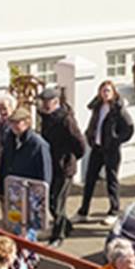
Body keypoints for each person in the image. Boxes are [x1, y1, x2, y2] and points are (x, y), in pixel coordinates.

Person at [77, 80, 134, 220]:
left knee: (111, 180)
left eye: (108, 90)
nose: (105, 93)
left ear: (113, 92)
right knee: (89, 180)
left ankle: (114, 211)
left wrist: (116, 140)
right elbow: (94, 123)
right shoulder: (98, 107)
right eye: (103, 90)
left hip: (111, 150)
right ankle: (83, 212)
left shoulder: (118, 109)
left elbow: (129, 128)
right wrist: (89, 135)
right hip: (97, 148)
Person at [36, 89, 87, 243]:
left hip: (64, 167)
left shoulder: (66, 119)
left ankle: (58, 236)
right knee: (51, 201)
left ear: (56, 102)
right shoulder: (45, 117)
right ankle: (66, 226)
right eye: (43, 102)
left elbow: (80, 143)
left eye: (48, 102)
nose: (44, 105)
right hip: (51, 165)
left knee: (57, 203)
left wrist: (70, 158)